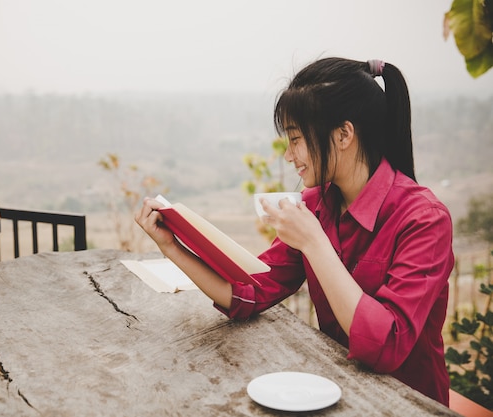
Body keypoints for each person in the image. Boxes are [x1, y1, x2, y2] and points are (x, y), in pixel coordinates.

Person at [134, 57, 454, 406]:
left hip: (409, 404)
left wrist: (314, 242)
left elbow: (388, 345)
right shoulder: (315, 204)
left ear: (344, 134)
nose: (289, 155)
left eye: (297, 139)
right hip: (337, 394)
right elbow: (248, 292)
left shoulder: (424, 219)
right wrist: (173, 247)